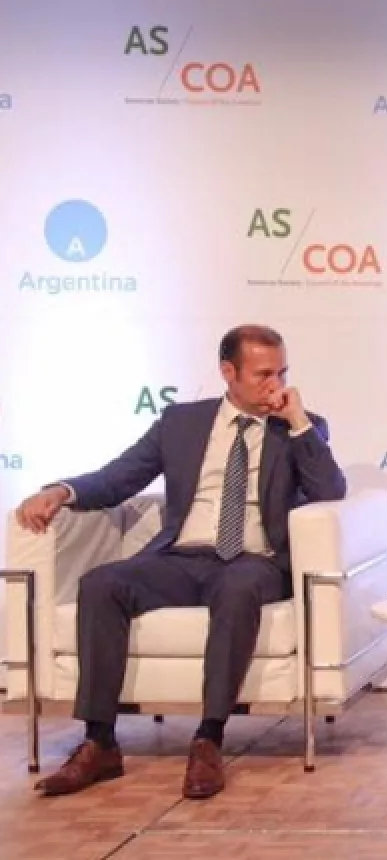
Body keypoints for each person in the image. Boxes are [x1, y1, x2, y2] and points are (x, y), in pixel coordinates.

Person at [13, 324, 346, 799]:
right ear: (228, 372)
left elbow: (330, 491)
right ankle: (100, 742)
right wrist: (60, 491)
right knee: (101, 584)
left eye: (282, 372)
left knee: (237, 587)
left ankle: (209, 738)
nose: (275, 384)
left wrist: (298, 424)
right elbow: (118, 478)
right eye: (263, 374)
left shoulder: (299, 426)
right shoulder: (182, 422)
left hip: (255, 561)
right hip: (182, 557)